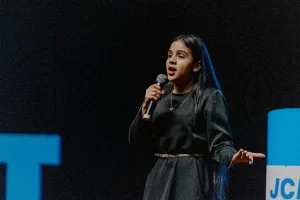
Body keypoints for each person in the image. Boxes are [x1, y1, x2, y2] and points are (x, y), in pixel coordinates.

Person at [128, 34, 265, 200]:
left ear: (197, 65)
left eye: (180, 56)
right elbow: (135, 139)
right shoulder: (159, 95)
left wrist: (234, 156)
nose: (172, 61)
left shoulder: (209, 97)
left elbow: (220, 144)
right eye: (170, 55)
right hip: (160, 178)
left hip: (191, 178)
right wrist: (144, 107)